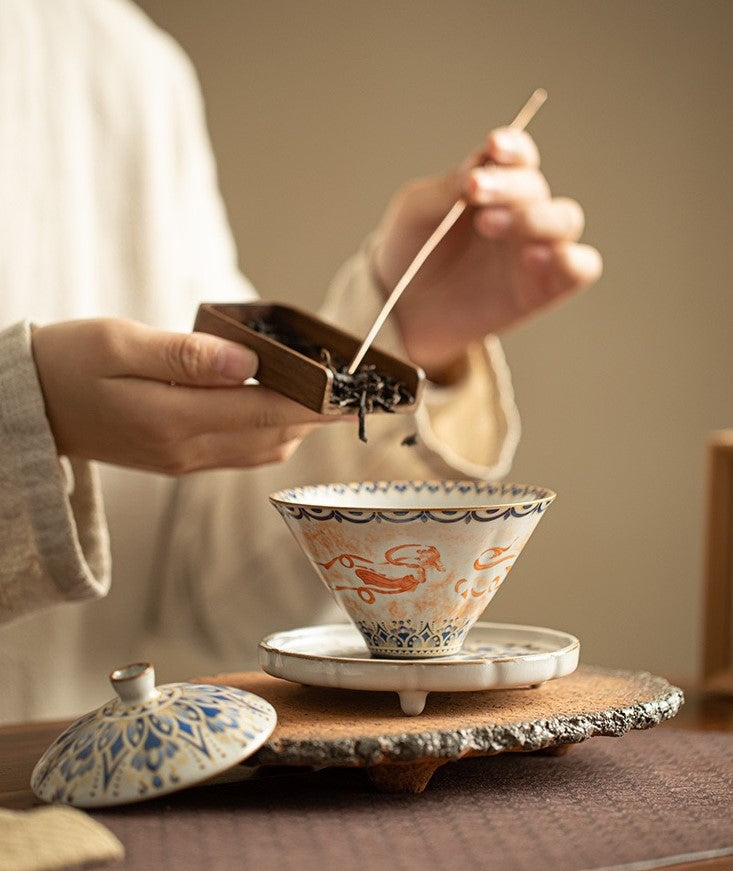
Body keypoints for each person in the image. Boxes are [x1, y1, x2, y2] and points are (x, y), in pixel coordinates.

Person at [0, 0, 601, 722]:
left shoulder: (126, 64)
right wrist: (22, 420)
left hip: (77, 793)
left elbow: (211, 588)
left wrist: (405, 335)